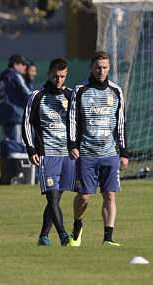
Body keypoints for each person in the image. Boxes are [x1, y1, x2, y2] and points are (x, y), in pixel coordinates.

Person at [68, 51, 128, 247]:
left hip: (110, 154)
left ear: (109, 68)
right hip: (86, 153)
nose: (101, 71)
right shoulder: (80, 91)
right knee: (84, 197)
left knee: (109, 195)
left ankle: (108, 238)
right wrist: (72, 145)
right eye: (97, 67)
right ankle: (77, 224)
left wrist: (124, 152)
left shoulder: (116, 91)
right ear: (91, 68)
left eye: (104, 67)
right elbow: (73, 120)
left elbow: (120, 124)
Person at [22, 58, 73, 247]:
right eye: (55, 76)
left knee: (56, 199)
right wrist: (31, 148)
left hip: (67, 155)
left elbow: (79, 122)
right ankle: (63, 235)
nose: (59, 80)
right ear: (49, 74)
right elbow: (26, 123)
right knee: (52, 197)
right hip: (47, 154)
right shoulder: (37, 96)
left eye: (62, 76)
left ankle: (43, 236)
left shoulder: (71, 96)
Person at [0, 54, 33, 185]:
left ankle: (7, 176)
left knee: (8, 146)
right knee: (17, 148)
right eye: (23, 64)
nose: (25, 68)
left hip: (4, 117)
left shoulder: (2, 77)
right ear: (16, 64)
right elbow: (27, 93)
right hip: (16, 116)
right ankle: (18, 177)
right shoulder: (15, 76)